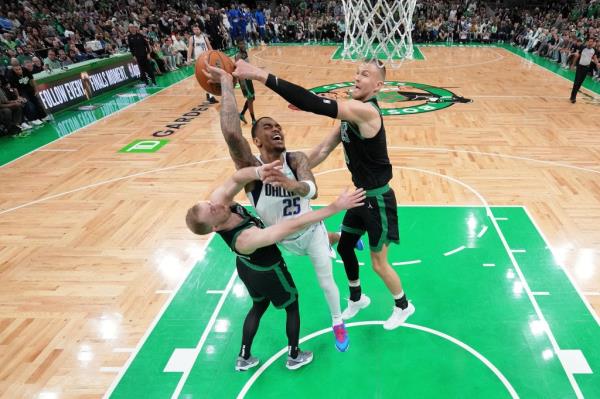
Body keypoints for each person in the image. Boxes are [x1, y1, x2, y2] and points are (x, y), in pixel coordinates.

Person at [233, 58, 415, 330]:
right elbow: (319, 152)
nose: (357, 77)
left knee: (378, 263)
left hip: (379, 198)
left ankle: (403, 305)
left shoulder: (366, 112)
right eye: (356, 72)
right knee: (344, 246)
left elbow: (312, 102)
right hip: (361, 195)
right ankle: (356, 298)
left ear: (378, 86)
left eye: (364, 75)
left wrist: (259, 74)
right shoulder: (349, 120)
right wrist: (292, 173)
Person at [202, 59, 367, 352]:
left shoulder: (296, 159)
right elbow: (231, 134)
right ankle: (343, 239)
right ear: (255, 140)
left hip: (310, 231)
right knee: (308, 238)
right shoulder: (253, 172)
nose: (276, 129)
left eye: (278, 126)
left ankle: (338, 322)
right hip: (284, 240)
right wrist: (227, 85)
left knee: (326, 281)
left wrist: (294, 186)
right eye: (267, 127)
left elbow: (312, 190)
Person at [186, 161, 365, 370]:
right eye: (212, 210)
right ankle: (294, 356)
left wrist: (257, 171)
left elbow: (236, 178)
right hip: (268, 270)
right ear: (214, 227)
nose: (216, 204)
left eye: (210, 203)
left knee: (258, 305)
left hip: (246, 267)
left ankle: (243, 357)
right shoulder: (245, 238)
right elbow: (293, 226)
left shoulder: (220, 204)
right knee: (292, 306)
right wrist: (335, 207)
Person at [187, 25, 218, 104]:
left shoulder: (204, 37)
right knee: (204, 78)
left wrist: (214, 54)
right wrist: (188, 58)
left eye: (197, 29)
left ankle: (210, 96)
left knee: (208, 77)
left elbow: (209, 46)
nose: (196, 30)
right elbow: (190, 48)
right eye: (195, 29)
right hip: (198, 60)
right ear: (193, 31)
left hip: (207, 59)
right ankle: (210, 96)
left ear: (200, 29)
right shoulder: (192, 38)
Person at [234, 39, 256, 125]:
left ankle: (242, 114)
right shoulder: (238, 55)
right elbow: (237, 69)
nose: (242, 45)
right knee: (250, 98)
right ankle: (253, 120)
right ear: (237, 45)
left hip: (248, 78)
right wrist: (241, 83)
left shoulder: (245, 53)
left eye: (243, 43)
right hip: (243, 79)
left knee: (252, 98)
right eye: (240, 44)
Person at [570, 37, 598, 103]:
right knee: (576, 82)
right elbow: (577, 56)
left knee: (580, 83)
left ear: (593, 43)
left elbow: (595, 58)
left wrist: (597, 63)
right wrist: (573, 65)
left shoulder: (594, 50)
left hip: (586, 68)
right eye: (589, 41)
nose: (590, 43)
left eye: (591, 42)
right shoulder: (582, 47)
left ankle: (573, 95)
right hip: (580, 67)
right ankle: (573, 97)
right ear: (587, 42)